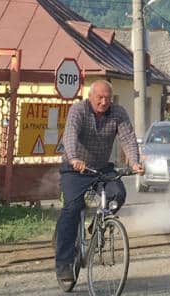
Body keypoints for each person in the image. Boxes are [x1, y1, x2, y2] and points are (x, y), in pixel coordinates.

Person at [54, 80, 144, 283]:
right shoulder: (78, 110)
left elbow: (128, 138)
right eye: (100, 98)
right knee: (72, 208)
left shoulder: (118, 113)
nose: (104, 102)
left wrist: (135, 162)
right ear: (90, 97)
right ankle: (64, 265)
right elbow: (69, 135)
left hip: (101, 168)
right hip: (75, 168)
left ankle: (97, 225)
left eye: (107, 98)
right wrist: (75, 158)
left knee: (118, 194)